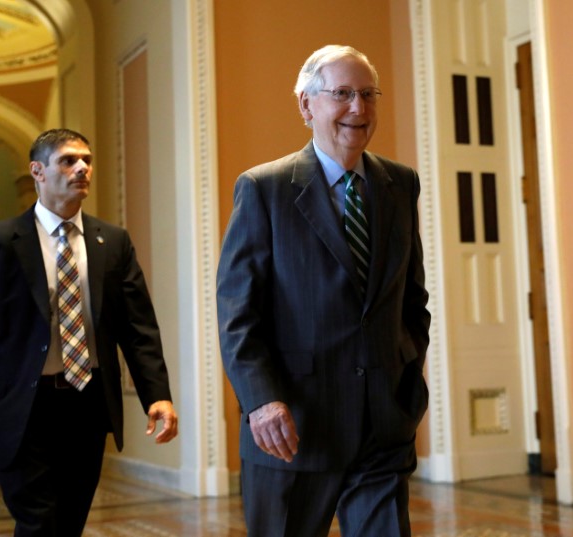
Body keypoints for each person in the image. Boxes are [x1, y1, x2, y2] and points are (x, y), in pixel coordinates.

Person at [216, 45, 431, 536]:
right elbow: (237, 311)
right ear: (306, 105)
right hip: (293, 428)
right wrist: (261, 400)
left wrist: (405, 380)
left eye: (368, 94)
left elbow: (411, 300)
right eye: (342, 94)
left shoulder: (401, 184)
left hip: (382, 426)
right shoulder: (264, 188)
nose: (359, 108)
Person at [0, 128, 178, 536]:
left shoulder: (111, 242)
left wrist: (158, 396)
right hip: (21, 410)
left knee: (70, 521)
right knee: (39, 521)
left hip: (87, 405)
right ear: (38, 171)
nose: (82, 168)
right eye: (68, 160)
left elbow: (138, 328)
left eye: (86, 159)